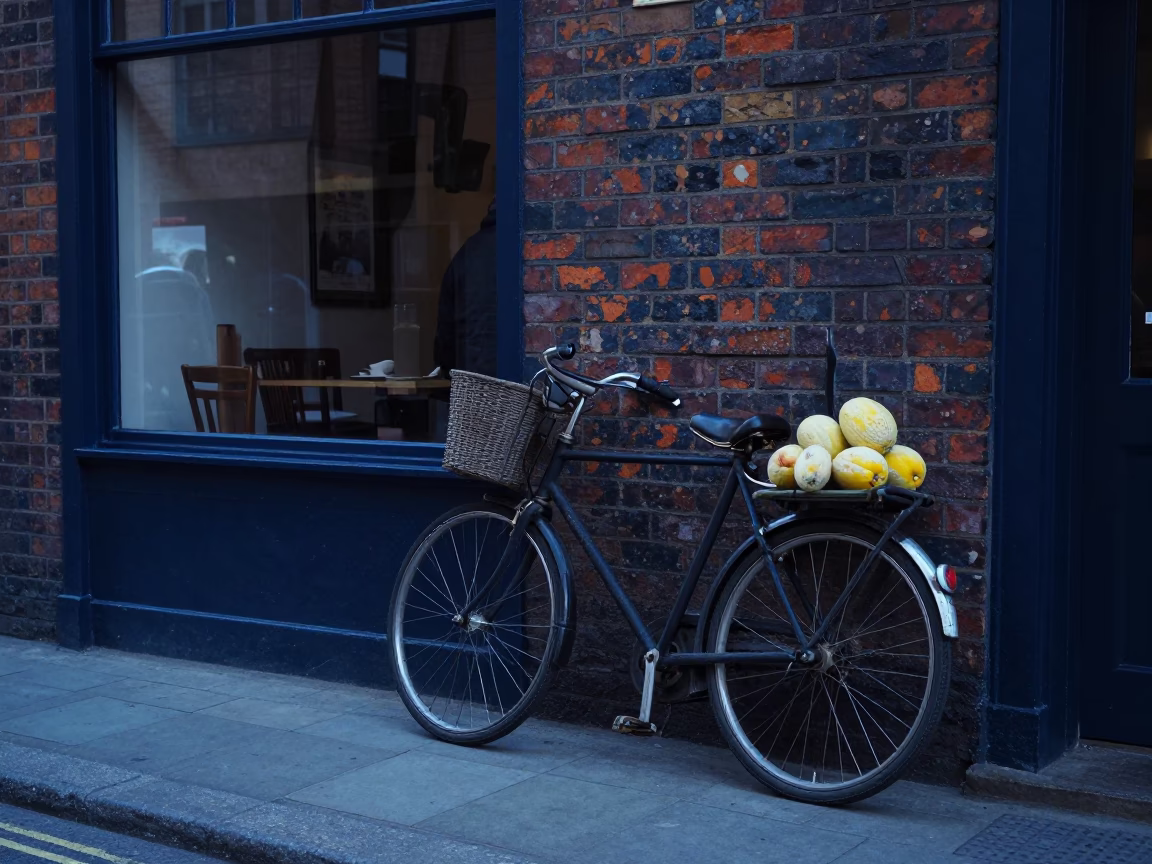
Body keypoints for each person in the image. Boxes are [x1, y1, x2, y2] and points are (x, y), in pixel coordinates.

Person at [433, 199, 498, 377]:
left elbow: (445, 333)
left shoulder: (467, 253)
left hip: (470, 375)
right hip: (516, 381)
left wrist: (446, 368)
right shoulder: (523, 247)